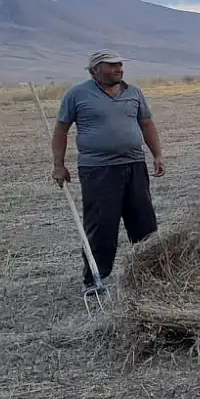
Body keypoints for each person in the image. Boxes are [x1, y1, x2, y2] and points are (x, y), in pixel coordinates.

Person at [51, 49, 165, 293]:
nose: (118, 69)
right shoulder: (77, 94)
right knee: (102, 225)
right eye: (111, 65)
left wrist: (157, 155)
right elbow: (61, 130)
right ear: (94, 70)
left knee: (144, 223)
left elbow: (146, 123)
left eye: (120, 65)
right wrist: (58, 165)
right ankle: (95, 279)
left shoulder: (133, 92)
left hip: (134, 165)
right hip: (98, 170)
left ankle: (151, 273)